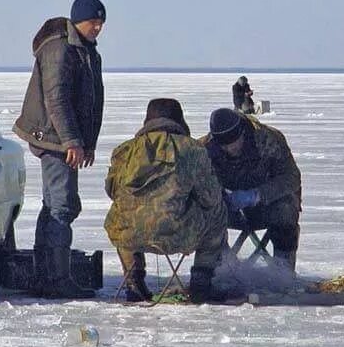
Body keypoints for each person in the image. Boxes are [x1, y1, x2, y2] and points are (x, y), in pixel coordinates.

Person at [14, 0, 106, 299]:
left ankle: (48, 273)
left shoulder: (87, 51)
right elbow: (57, 99)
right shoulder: (61, 50)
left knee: (55, 204)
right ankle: (55, 278)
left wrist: (87, 143)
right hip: (53, 139)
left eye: (101, 23)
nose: (98, 28)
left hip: (65, 140)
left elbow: (92, 101)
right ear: (79, 20)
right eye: (94, 22)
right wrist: (71, 140)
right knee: (62, 204)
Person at [104, 98, 227, 303]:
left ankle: (134, 281)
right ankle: (201, 282)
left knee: (123, 214)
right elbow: (210, 197)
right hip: (177, 235)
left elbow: (112, 191)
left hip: (128, 236)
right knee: (218, 211)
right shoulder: (193, 149)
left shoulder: (124, 150)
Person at [200, 108, 302, 271]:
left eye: (233, 143)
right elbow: (198, 185)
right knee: (203, 212)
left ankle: (283, 270)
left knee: (286, 208)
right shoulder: (205, 148)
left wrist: (258, 195)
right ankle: (222, 268)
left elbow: (291, 178)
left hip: (266, 205)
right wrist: (218, 197)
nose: (229, 149)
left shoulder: (269, 139)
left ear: (242, 133)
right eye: (223, 146)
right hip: (227, 210)